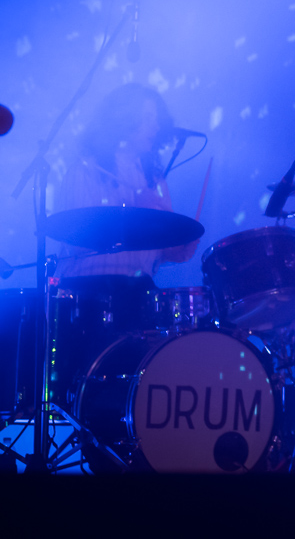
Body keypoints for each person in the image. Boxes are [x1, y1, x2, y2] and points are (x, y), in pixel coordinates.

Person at [51, 83, 199, 403]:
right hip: (87, 294)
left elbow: (160, 247)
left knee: (139, 392)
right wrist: (133, 206)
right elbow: (78, 239)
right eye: (147, 117)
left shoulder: (156, 180)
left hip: (139, 293)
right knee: (90, 393)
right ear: (122, 120)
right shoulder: (86, 168)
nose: (156, 126)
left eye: (157, 118)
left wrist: (179, 247)